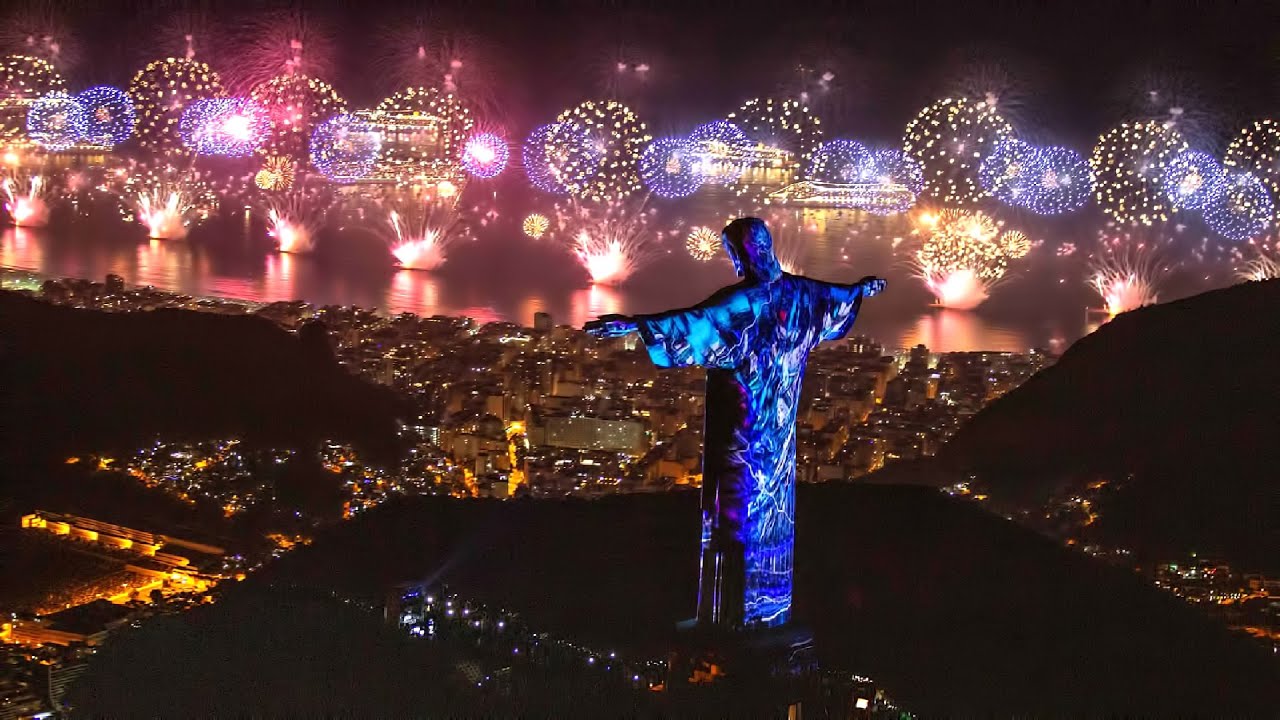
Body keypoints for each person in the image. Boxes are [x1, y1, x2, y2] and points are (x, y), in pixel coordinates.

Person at [585, 217, 885, 631]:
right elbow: (838, 300)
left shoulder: (743, 304)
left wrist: (636, 325)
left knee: (733, 512)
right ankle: (769, 610)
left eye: (733, 252)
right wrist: (861, 290)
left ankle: (731, 618)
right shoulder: (802, 294)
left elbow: (693, 325)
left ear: (741, 253)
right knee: (772, 513)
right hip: (780, 434)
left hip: (741, 429)